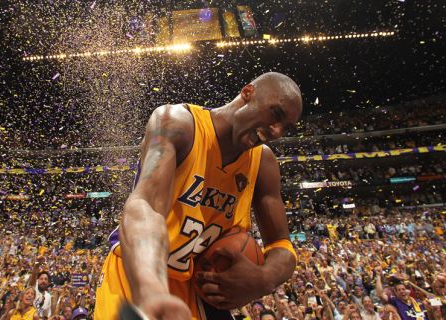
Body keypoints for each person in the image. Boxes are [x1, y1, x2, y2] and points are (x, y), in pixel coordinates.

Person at [94, 72, 303, 320]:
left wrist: (263, 278)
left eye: (286, 127)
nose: (278, 131)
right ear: (248, 93)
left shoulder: (264, 163)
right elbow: (145, 206)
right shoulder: (177, 124)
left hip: (199, 289)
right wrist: (150, 287)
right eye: (276, 114)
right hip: (139, 275)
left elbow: (282, 245)